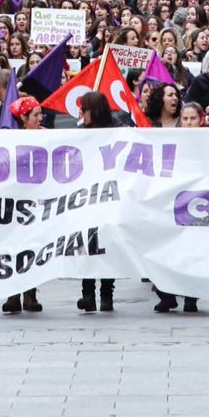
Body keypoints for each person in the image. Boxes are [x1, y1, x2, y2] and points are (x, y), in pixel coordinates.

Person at [1, 96, 46, 315]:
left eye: (40, 114)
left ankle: (30, 294)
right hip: (15, 203)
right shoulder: (11, 139)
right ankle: (12, 295)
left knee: (32, 247)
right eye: (35, 115)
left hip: (37, 203)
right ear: (24, 118)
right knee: (13, 246)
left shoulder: (49, 138)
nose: (40, 118)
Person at [76, 91, 119, 313]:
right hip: (83, 201)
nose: (80, 114)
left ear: (94, 111)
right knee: (85, 246)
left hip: (107, 198)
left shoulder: (116, 132)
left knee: (105, 246)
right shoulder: (79, 134)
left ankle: (106, 294)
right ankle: (88, 294)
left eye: (83, 109)